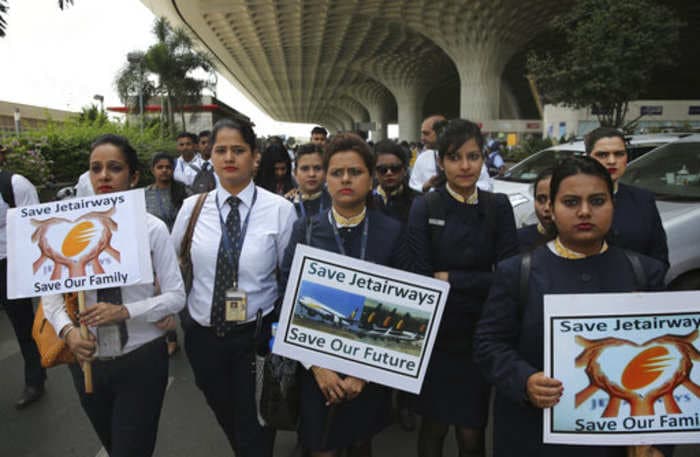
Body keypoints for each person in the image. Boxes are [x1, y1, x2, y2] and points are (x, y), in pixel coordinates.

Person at [473, 156, 672, 457]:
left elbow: (670, 364)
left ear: (612, 206)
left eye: (597, 201)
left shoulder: (645, 272)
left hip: (619, 445)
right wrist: (525, 380)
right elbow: (488, 345)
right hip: (536, 438)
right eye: (570, 202)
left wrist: (656, 444)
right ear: (550, 208)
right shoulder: (518, 272)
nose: (584, 211)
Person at [43, 134, 186, 457]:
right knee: (113, 444)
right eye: (96, 169)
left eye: (114, 168)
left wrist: (126, 311)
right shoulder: (66, 231)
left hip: (142, 359)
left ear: (133, 176)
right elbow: (50, 298)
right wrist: (68, 334)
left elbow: (177, 297)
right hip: (86, 362)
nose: (104, 176)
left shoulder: (152, 229)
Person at [171, 118, 296, 457]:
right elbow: (173, 266)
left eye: (238, 150)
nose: (229, 157)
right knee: (226, 413)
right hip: (203, 334)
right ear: (209, 156)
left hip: (255, 337)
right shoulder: (191, 208)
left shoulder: (281, 211)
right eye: (221, 150)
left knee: (256, 423)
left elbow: (289, 277)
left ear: (255, 157)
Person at [281, 132, 404, 457]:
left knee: (361, 444)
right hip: (317, 368)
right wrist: (318, 368)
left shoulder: (391, 232)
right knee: (322, 447)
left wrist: (362, 375)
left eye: (355, 171)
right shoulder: (305, 230)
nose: (346, 179)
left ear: (371, 177)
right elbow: (286, 300)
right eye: (336, 173)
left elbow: (404, 311)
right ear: (325, 179)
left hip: (371, 368)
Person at [406, 119, 518, 457]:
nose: (465, 166)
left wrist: (452, 279)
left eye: (473, 156)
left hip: (481, 335)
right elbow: (419, 276)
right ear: (440, 161)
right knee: (433, 429)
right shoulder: (426, 205)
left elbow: (509, 277)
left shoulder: (498, 207)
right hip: (436, 336)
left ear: (484, 158)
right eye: (455, 157)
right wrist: (477, 280)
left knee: (472, 432)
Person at [0, 144, 46, 409]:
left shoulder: (16, 184)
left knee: (22, 325)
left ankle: (35, 378)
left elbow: (34, 223)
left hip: (11, 264)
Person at [585, 127, 669, 269]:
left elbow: (659, 257)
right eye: (602, 155)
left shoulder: (643, 199)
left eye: (619, 154)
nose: (612, 161)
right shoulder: (571, 201)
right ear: (588, 158)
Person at [145, 152, 187, 356]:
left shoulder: (182, 192)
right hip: (154, 253)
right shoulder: (144, 195)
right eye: (159, 167)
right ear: (152, 170)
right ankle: (171, 337)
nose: (164, 171)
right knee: (160, 294)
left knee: (178, 293)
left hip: (179, 252)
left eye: (168, 167)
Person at [409, 115, 492, 193]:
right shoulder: (423, 158)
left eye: (426, 133)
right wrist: (425, 187)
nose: (422, 138)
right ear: (440, 162)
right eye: (453, 158)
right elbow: (413, 187)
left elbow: (486, 186)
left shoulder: (471, 159)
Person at [373, 139, 418, 223]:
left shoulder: (418, 202)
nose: (389, 173)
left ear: (404, 170)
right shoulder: (364, 202)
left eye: (395, 168)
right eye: (383, 169)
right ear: (375, 172)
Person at [517, 167, 555, 252]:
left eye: (554, 200)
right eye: (541, 200)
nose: (547, 208)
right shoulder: (518, 239)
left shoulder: (584, 242)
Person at [289, 143, 331, 219]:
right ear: (295, 173)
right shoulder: (286, 204)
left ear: (326, 172)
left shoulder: (336, 204)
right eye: (305, 169)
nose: (312, 174)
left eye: (317, 168)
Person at [191, 130, 217, 194]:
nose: (206, 145)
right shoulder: (190, 168)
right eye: (203, 143)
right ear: (198, 146)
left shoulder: (220, 166)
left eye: (210, 142)